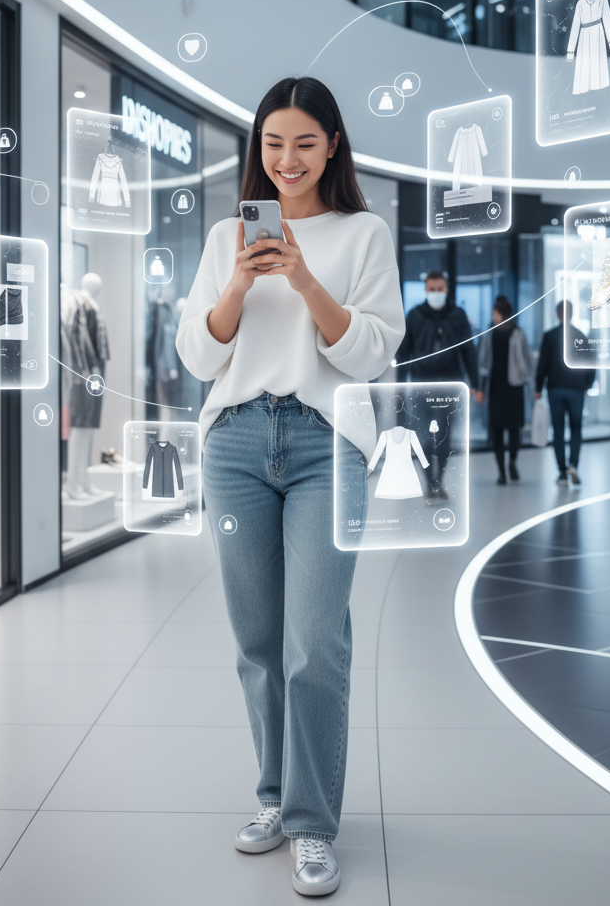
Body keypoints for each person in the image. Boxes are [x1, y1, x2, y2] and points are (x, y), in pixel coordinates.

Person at [176, 76, 404, 897]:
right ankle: (273, 796)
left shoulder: (364, 234)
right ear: (257, 149)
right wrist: (239, 284)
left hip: (326, 446)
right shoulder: (221, 238)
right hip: (235, 444)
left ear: (333, 146)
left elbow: (371, 352)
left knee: (316, 642)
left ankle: (312, 825)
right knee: (257, 642)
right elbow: (200, 358)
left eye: (305, 142)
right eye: (273, 143)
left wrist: (306, 280)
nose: (287, 159)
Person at [395, 270, 477, 498]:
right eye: (432, 289)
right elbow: (404, 353)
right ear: (426, 290)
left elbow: (468, 350)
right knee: (423, 437)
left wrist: (475, 384)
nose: (436, 293)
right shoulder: (414, 316)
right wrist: (400, 387)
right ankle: (429, 482)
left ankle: (437, 480)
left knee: (444, 439)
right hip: (421, 385)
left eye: (439, 289)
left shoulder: (458, 315)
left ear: (446, 289)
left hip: (449, 386)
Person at [534, 300, 595, 486]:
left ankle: (561, 473)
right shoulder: (580, 335)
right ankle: (573, 465)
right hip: (576, 389)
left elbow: (542, 364)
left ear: (558, 313)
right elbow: (591, 362)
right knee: (576, 429)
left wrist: (538, 387)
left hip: (555, 389)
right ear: (571, 313)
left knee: (558, 431)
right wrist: (588, 383)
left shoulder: (550, 336)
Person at [475, 295, 533, 484]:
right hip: (495, 389)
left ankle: (512, 462)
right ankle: (501, 471)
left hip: (514, 387)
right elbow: (483, 363)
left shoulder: (518, 333)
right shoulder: (489, 335)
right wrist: (480, 388)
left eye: (495, 313)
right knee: (497, 430)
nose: (493, 316)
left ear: (502, 314)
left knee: (515, 429)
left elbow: (527, 359)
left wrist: (529, 380)